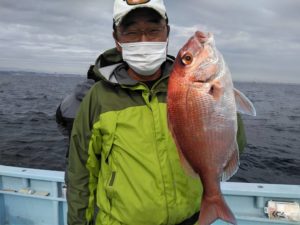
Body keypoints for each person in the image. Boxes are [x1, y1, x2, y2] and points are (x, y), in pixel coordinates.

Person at [66, 0, 247, 225]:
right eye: (131, 32)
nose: (144, 41)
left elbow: (238, 141)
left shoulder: (186, 87)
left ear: (167, 33)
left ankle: (213, 200)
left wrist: (223, 97)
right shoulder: (98, 98)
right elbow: (80, 172)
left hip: (190, 218)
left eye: (153, 31)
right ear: (117, 40)